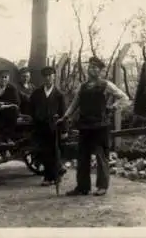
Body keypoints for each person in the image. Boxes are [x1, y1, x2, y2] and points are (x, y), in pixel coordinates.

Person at [57, 56, 130, 196]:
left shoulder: (106, 84)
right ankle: (82, 187)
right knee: (82, 156)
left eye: (95, 68)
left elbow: (124, 98)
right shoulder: (82, 86)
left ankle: (102, 186)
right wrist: (65, 117)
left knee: (101, 156)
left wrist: (113, 108)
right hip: (85, 126)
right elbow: (74, 104)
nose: (92, 70)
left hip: (100, 126)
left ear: (100, 70)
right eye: (90, 67)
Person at [29, 66, 67, 186]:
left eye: (50, 76)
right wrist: (35, 118)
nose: (48, 78)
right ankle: (47, 176)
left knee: (55, 151)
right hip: (41, 127)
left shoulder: (59, 94)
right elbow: (31, 108)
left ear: (54, 77)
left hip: (54, 127)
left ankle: (56, 176)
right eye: (46, 76)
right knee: (44, 152)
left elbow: (64, 113)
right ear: (43, 78)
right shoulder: (37, 93)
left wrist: (65, 130)